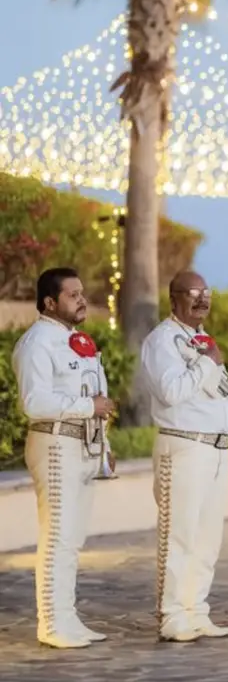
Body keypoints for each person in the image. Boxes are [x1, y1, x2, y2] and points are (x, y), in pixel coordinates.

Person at [140, 270, 228, 642]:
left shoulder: (200, 339)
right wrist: (208, 362)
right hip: (183, 446)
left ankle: (196, 611)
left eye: (207, 293)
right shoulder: (162, 341)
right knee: (179, 535)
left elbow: (214, 395)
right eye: (193, 293)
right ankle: (171, 615)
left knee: (207, 537)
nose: (202, 299)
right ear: (174, 300)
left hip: (214, 448)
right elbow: (172, 391)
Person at [12, 268, 116, 648]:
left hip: (83, 446)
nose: (82, 299)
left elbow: (95, 398)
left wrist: (104, 445)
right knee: (57, 536)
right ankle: (51, 623)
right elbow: (34, 403)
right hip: (54, 445)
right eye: (72, 294)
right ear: (49, 303)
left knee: (72, 539)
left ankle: (68, 619)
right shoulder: (38, 342)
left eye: (82, 292)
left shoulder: (77, 341)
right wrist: (89, 406)